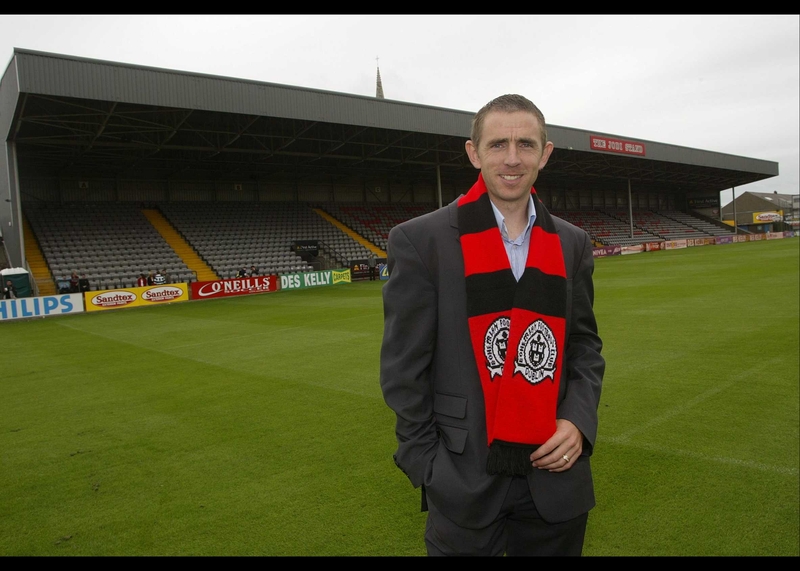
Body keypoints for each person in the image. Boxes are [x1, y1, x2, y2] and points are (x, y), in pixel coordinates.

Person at [379, 94, 604, 557]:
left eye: (525, 144)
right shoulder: (420, 242)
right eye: (498, 143)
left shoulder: (572, 243)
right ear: (473, 152)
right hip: (463, 481)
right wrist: (427, 465)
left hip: (555, 477)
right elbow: (404, 370)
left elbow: (583, 347)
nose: (512, 158)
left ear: (545, 153)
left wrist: (578, 423)